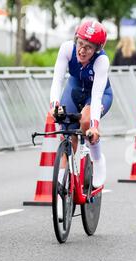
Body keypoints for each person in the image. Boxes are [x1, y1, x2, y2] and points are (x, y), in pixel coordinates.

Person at [49, 20, 112, 188]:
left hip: (96, 96)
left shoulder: (101, 60)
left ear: (97, 49)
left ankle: (97, 159)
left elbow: (97, 96)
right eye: (80, 43)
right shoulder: (67, 48)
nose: (82, 50)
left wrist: (94, 126)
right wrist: (54, 105)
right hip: (74, 91)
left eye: (89, 47)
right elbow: (57, 80)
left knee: (85, 121)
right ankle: (61, 186)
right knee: (67, 130)